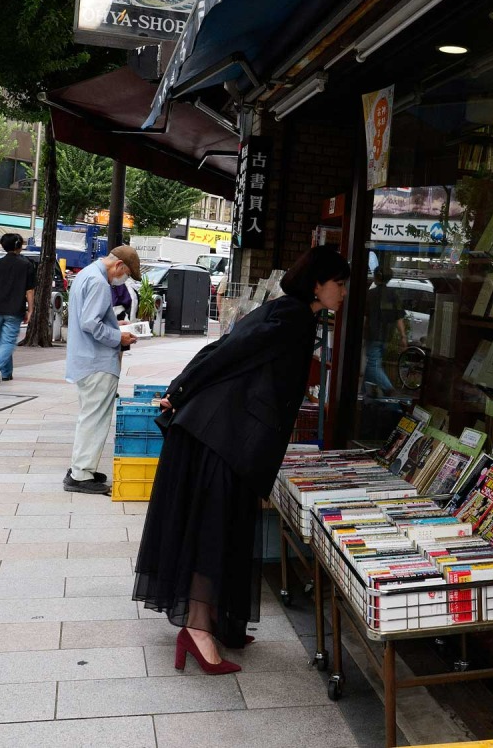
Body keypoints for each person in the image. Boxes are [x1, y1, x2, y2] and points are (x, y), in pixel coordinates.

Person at [132, 244, 350, 674]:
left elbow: (229, 349)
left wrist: (181, 390)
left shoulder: (290, 312)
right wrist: (178, 391)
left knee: (221, 528)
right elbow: (228, 351)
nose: (343, 294)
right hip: (222, 437)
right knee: (212, 531)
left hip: (224, 434)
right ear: (318, 284)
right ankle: (196, 629)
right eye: (339, 285)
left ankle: (213, 620)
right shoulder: (292, 317)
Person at [63, 245, 140, 494]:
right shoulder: (99, 282)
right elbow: (90, 323)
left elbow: (88, 317)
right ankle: (81, 474)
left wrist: (114, 323)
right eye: (127, 274)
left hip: (85, 358)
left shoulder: (86, 274)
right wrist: (119, 336)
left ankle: (81, 467)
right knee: (95, 418)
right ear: (118, 266)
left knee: (89, 415)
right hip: (97, 361)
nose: (123, 279)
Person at [363, 266, 407, 396]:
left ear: (376, 277)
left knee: (372, 365)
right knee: (373, 363)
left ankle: (389, 390)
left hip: (372, 334)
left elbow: (365, 317)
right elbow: (399, 317)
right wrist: (403, 336)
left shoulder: (370, 294)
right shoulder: (394, 295)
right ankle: (364, 393)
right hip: (387, 335)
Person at [0, 233, 35, 387]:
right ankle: (3, 370)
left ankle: (6, 373)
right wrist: (31, 310)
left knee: (0, 342)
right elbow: (30, 291)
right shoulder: (26, 265)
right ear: (18, 246)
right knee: (7, 342)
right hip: (14, 310)